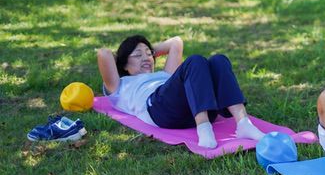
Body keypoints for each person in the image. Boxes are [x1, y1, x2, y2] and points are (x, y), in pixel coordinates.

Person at [97, 35, 266, 148]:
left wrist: (144, 49)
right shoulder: (119, 85)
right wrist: (127, 52)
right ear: (124, 64)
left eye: (149, 54)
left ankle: (244, 124)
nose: (147, 58)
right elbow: (103, 53)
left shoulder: (165, 75)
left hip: (197, 108)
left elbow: (176, 42)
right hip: (161, 111)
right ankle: (204, 129)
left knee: (218, 60)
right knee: (195, 61)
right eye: (138, 55)